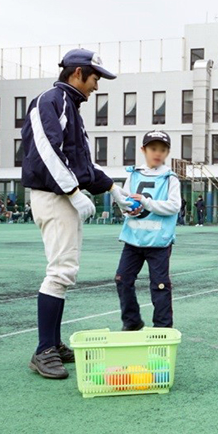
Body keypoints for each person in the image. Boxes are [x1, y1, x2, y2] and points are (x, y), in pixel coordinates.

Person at [21, 49, 133, 379]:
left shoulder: (69, 106)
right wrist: (71, 190)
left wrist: (111, 188)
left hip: (61, 196)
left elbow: (81, 160)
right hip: (53, 196)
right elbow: (45, 149)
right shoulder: (50, 100)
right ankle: (43, 350)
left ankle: (51, 344)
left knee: (65, 270)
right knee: (60, 271)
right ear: (78, 73)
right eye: (95, 78)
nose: (97, 85)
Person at [115, 131, 180, 330]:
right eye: (153, 149)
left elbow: (174, 206)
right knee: (122, 279)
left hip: (159, 242)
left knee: (159, 285)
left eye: (162, 149)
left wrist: (147, 203)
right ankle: (132, 322)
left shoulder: (170, 178)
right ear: (143, 150)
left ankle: (162, 328)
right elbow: (124, 201)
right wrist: (128, 209)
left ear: (167, 152)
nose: (157, 153)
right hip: (133, 239)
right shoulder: (133, 174)